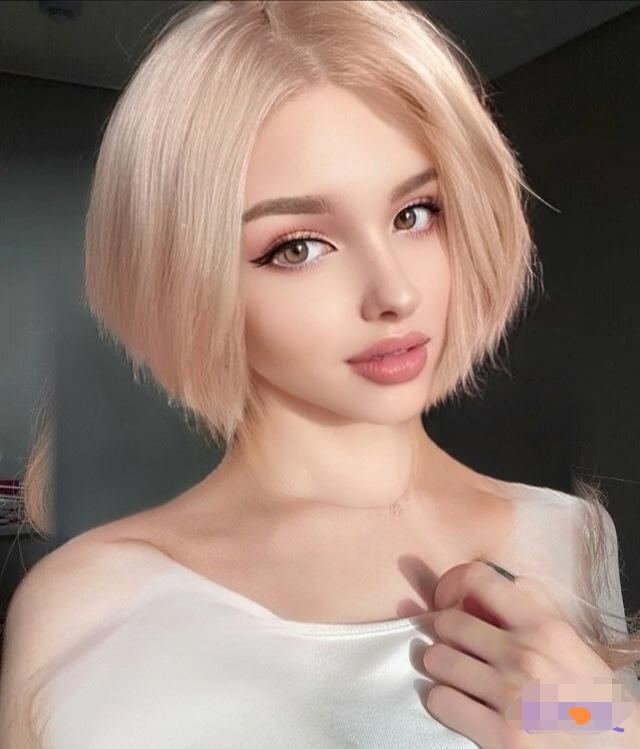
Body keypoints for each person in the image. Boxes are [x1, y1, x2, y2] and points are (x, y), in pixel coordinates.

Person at [1, 1, 638, 747]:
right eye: (299, 246)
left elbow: (594, 729)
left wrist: (608, 726)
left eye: (415, 213)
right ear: (186, 278)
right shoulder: (90, 605)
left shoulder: (570, 533)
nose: (394, 292)